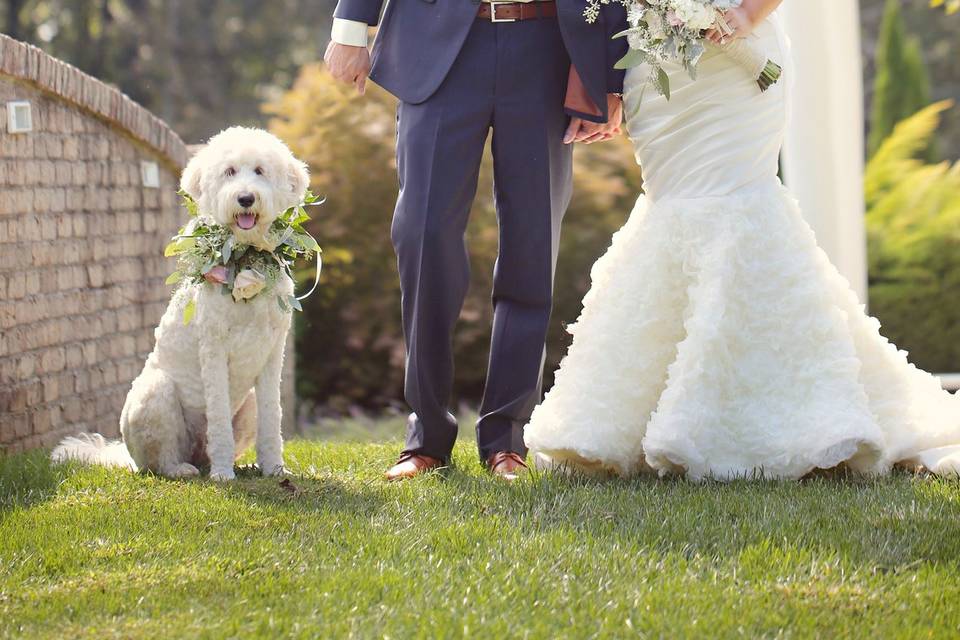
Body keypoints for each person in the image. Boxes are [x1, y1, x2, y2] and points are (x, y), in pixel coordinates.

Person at [524, 0, 960, 480]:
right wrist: (604, 81)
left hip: (737, 65)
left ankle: (777, 413)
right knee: (669, 209)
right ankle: (626, 416)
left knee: (738, 207)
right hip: (656, 65)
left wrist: (748, 14)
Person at [325, 0, 629, 480]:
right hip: (439, 46)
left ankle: (507, 438)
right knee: (423, 235)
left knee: (533, 240)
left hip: (545, 47)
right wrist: (350, 27)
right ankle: (426, 435)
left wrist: (610, 78)